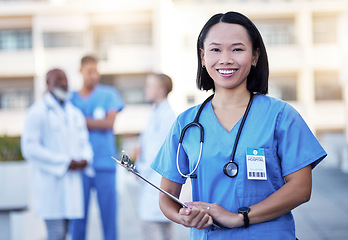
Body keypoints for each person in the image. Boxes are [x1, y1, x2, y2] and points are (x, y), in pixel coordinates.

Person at [150, 11, 327, 239]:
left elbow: (301, 189)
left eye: (237, 49)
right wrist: (182, 217)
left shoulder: (281, 116)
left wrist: (240, 217)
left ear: (254, 56)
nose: (226, 59)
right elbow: (166, 197)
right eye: (215, 50)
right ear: (203, 57)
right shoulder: (186, 124)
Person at [21, 68, 93, 240]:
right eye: (58, 79)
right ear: (48, 84)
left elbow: (85, 143)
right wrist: (64, 162)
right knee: (56, 233)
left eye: (65, 79)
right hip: (50, 184)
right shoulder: (37, 112)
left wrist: (85, 159)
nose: (63, 83)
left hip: (72, 185)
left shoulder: (75, 113)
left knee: (65, 234)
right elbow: (29, 148)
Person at [69, 55, 124, 240]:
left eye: (96, 71)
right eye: (89, 72)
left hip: (104, 164)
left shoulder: (108, 94)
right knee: (78, 219)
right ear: (80, 71)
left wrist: (79, 121)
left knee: (109, 218)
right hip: (79, 165)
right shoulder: (71, 98)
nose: (94, 76)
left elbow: (109, 123)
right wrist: (94, 122)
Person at [135, 73, 177, 240]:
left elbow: (157, 151)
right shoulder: (157, 113)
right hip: (152, 181)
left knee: (153, 229)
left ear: (161, 90)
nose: (146, 89)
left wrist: (139, 171)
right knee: (165, 231)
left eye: (149, 86)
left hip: (154, 179)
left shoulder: (167, 115)